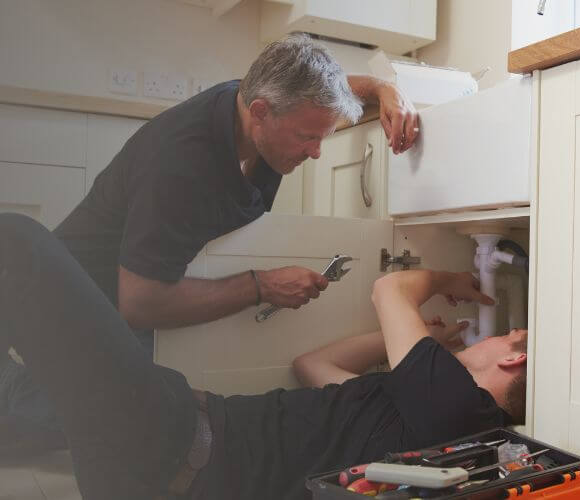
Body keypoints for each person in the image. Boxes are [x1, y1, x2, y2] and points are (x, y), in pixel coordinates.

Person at [0, 32, 420, 456]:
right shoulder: (182, 164)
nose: (315, 152)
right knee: (100, 422)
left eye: (321, 137)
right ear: (261, 113)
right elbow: (140, 302)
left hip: (132, 288)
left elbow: (333, 90)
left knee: (145, 420)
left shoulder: (259, 103)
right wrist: (261, 285)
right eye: (306, 138)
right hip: (73, 308)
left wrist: (386, 90)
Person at [0, 213, 528, 500]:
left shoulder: (462, 412)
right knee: (18, 398)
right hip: (162, 463)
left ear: (513, 361)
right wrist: (423, 347)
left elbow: (391, 288)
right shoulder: (429, 412)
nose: (499, 335)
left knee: (18, 244)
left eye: (509, 336)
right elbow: (313, 364)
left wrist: (446, 281)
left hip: (173, 438)